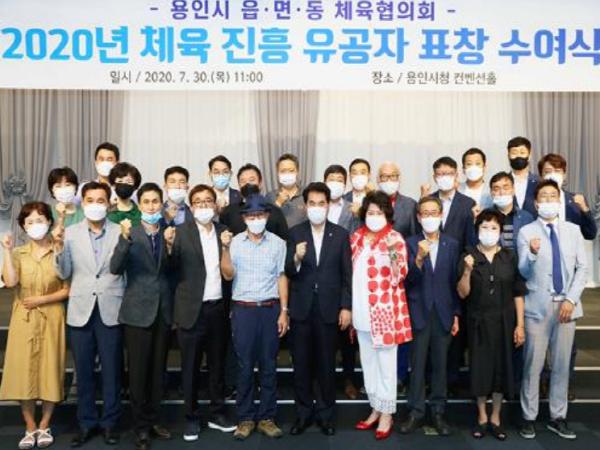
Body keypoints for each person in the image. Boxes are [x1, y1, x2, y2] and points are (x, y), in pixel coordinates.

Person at [53, 181, 125, 447]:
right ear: (82, 203)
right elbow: (63, 272)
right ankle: (86, 423)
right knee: (83, 371)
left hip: (111, 308)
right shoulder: (70, 233)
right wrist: (59, 248)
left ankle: (110, 423)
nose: (95, 205)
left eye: (100, 200)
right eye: (90, 200)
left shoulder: (120, 231)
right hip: (81, 308)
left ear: (108, 204)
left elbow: (125, 270)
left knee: (112, 371)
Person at [164, 184, 236, 441]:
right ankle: (191, 418)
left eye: (208, 201)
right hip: (190, 310)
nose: (204, 206)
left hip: (218, 309)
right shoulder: (180, 232)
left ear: (215, 206)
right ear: (191, 206)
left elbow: (230, 272)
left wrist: (227, 247)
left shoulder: (224, 231)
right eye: (198, 202)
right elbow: (169, 269)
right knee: (190, 368)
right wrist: (169, 246)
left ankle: (217, 413)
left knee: (217, 365)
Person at [518, 180, 588, 441]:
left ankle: (558, 416)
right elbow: (523, 270)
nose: (548, 201)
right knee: (532, 365)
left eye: (552, 196)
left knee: (561, 365)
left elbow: (582, 268)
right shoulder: (526, 232)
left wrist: (571, 299)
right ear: (536, 204)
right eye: (543, 197)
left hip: (567, 307)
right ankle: (529, 417)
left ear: (559, 201)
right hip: (537, 307)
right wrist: (532, 253)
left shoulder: (573, 231)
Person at [109, 183, 173, 450]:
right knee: (138, 373)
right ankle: (140, 427)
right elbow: (115, 268)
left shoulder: (170, 231)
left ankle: (154, 419)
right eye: (146, 202)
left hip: (163, 311)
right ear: (140, 205)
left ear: (161, 203)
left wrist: (171, 246)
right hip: (137, 312)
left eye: (155, 201)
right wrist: (124, 240)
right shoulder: (130, 232)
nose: (151, 206)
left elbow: (176, 270)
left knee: (158, 371)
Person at [285, 182, 352, 436]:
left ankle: (326, 416)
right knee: (301, 365)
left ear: (328, 205)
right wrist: (296, 258)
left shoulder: (341, 234)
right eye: (311, 203)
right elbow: (287, 271)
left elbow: (347, 275)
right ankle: (303, 415)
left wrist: (346, 306)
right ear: (305, 206)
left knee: (326, 365)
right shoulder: (295, 233)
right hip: (301, 309)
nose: (316, 207)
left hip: (329, 308)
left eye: (321, 203)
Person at [0, 202, 69, 450]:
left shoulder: (60, 249)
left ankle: (44, 424)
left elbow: (67, 288)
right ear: (23, 226)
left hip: (52, 316)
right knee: (23, 371)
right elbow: (11, 282)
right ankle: (29, 426)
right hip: (24, 318)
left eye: (40, 220)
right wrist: (6, 251)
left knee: (51, 369)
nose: (35, 225)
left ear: (49, 222)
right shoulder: (18, 253)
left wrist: (42, 299)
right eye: (29, 222)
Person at [220, 193, 289, 441]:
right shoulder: (235, 243)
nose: (256, 219)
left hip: (270, 309)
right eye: (251, 215)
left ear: (267, 216)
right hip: (243, 310)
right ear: (244, 218)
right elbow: (227, 275)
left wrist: (284, 311)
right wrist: (225, 249)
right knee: (245, 366)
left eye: (260, 215)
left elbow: (282, 276)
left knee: (269, 364)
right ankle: (246, 418)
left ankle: (267, 418)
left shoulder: (278, 244)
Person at [457, 209, 526, 441]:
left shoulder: (509, 256)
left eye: (494, 228)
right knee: (480, 369)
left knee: (501, 370)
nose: (489, 231)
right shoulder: (468, 254)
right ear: (477, 230)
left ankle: (496, 417)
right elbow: (462, 293)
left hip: (505, 322)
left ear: (500, 231)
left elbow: (518, 292)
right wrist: (467, 271)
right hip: (478, 321)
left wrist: (520, 325)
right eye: (484, 227)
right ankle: (482, 416)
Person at [350, 191, 410, 441]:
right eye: (371, 212)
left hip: (384, 312)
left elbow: (400, 274)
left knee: (386, 365)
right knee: (368, 363)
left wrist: (392, 252)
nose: (375, 216)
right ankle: (375, 408)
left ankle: (387, 413)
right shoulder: (356, 237)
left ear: (387, 215)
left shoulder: (395, 238)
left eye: (379, 212)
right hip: (361, 310)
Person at [400, 196, 460, 437]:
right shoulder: (409, 243)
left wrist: (456, 313)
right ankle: (415, 412)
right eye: (424, 213)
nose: (429, 217)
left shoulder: (451, 244)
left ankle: (438, 411)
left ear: (441, 215)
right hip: (418, 313)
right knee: (417, 366)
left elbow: (454, 283)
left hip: (444, 313)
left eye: (434, 212)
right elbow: (406, 281)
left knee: (440, 366)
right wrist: (418, 259)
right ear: (418, 217)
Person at [323, 164, 360, 399]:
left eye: (339, 179)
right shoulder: (317, 207)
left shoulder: (353, 209)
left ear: (345, 184)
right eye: (331, 178)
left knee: (348, 337)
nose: (335, 183)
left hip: (347, 275)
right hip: (322, 279)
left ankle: (348, 379)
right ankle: (324, 381)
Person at [219, 163, 288, 239]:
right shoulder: (229, 212)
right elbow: (224, 239)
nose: (247, 184)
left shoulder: (274, 211)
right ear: (239, 185)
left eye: (252, 180)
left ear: (260, 183)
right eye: (243, 181)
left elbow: (284, 240)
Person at [537, 153, 597, 240]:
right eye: (548, 171)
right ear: (541, 176)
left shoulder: (576, 201)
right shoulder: (534, 201)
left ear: (564, 175)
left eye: (557, 171)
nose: (553, 175)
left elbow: (590, 234)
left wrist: (584, 209)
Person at [489, 172, 535, 251]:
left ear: (513, 190)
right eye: (496, 189)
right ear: (491, 193)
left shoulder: (527, 218)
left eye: (506, 188)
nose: (502, 192)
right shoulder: (485, 217)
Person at [377, 161, 418, 239]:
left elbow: (414, 236)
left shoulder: (410, 205)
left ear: (399, 178)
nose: (389, 180)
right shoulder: (371, 204)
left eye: (393, 176)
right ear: (378, 179)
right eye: (384, 176)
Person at [266, 153, 306, 228]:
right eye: (283, 171)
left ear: (297, 172)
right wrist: (278, 203)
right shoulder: (270, 196)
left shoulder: (307, 194)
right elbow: (267, 224)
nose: (287, 174)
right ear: (277, 173)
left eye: (291, 170)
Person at [507, 136, 538, 217]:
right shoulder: (503, 182)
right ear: (508, 156)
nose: (518, 156)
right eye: (514, 153)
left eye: (522, 152)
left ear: (529, 156)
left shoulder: (539, 182)